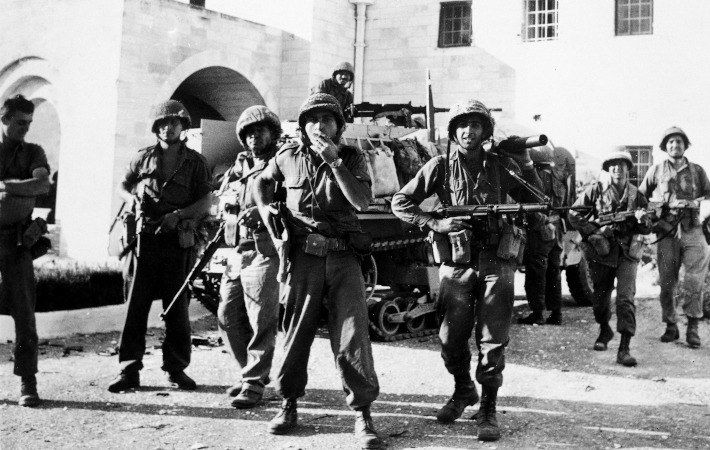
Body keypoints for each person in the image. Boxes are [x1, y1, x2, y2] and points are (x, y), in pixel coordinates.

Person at [391, 99, 543, 442]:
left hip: (495, 261)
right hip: (457, 262)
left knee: (492, 339)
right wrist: (435, 221)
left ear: (485, 130)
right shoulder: (440, 166)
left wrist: (526, 161)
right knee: (449, 339)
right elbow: (400, 202)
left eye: (475, 125)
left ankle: (487, 407)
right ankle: (463, 391)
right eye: (462, 124)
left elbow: (539, 197)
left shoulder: (501, 165)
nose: (468, 131)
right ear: (453, 130)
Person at [254, 93, 382, 449]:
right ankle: (288, 403)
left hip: (343, 259)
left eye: (327, 120)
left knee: (353, 335)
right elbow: (261, 183)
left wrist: (335, 163)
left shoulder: (354, 158)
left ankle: (363, 414)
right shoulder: (287, 157)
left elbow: (361, 201)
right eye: (312, 119)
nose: (319, 126)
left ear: (339, 127)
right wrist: (267, 213)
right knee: (296, 332)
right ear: (302, 125)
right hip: (303, 260)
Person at [108, 100, 213, 392]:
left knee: (177, 307)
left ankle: (176, 368)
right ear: (156, 128)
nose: (168, 128)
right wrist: (131, 200)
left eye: (174, 123)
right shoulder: (142, 158)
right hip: (143, 240)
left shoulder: (195, 162)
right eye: (162, 124)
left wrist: (178, 215)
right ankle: (129, 370)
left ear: (183, 127)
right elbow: (123, 185)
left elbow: (206, 201)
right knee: (135, 307)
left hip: (177, 241)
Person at [216, 105, 282, 408]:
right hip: (236, 250)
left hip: (264, 249)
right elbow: (224, 199)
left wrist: (262, 210)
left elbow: (294, 203)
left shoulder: (282, 163)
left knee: (261, 322)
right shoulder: (238, 167)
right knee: (227, 316)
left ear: (272, 133)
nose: (255, 137)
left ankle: (254, 383)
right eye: (249, 132)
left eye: (261, 130)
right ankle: (248, 373)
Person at [569, 149, 651, 366]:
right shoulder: (596, 190)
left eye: (621, 165)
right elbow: (574, 213)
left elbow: (647, 225)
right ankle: (604, 330)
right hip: (602, 252)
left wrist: (642, 221)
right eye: (613, 165)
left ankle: (624, 348)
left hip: (627, 253)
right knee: (600, 300)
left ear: (627, 169)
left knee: (625, 299)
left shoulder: (636, 195)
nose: (617, 168)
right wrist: (594, 230)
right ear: (608, 169)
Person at [638, 127, 710, 348]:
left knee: (694, 281)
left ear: (685, 145)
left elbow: (708, 194)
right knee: (667, 282)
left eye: (679, 142)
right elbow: (640, 196)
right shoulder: (656, 170)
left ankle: (693, 327)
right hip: (667, 230)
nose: (675, 145)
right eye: (670, 142)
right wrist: (650, 213)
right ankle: (671, 325)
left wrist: (695, 203)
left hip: (693, 229)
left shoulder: (697, 170)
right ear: (664, 146)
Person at [0, 95, 51, 407]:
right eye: (20, 122)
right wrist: (21, 185)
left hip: (18, 242)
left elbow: (42, 184)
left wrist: (5, 186)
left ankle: (27, 382)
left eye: (29, 123)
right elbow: (31, 185)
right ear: (5, 120)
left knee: (24, 313)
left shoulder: (34, 152)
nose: (25, 129)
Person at [518, 146, 574, 326]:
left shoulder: (536, 178)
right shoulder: (560, 180)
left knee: (536, 273)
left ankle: (537, 314)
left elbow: (530, 206)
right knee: (553, 272)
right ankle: (556, 313)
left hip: (540, 230)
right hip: (556, 229)